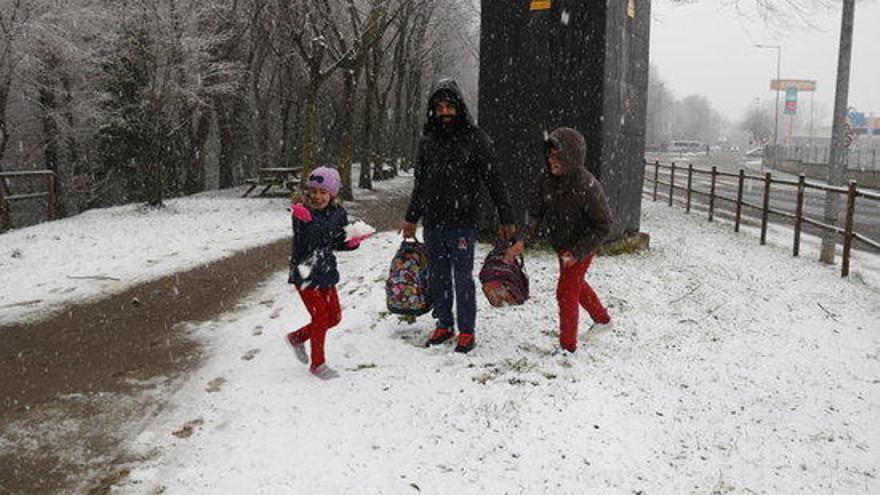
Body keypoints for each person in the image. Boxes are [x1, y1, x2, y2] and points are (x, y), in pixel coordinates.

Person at [400, 78, 516, 353]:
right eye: (439, 108)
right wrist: (410, 217)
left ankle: (467, 330)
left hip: (462, 224)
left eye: (449, 107)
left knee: (462, 278)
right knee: (439, 276)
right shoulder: (427, 141)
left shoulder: (476, 139)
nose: (444, 113)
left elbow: (494, 179)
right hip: (433, 224)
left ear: (458, 107)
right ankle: (443, 324)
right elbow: (421, 184)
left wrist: (506, 216)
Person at [506, 127, 612, 353]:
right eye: (550, 154)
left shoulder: (587, 185)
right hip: (562, 244)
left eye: (558, 155)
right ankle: (602, 320)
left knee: (566, 291)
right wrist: (522, 240)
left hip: (582, 244)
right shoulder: (545, 180)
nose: (552, 160)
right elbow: (535, 214)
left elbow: (603, 225)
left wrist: (577, 252)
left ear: (571, 156)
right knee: (575, 284)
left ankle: (568, 348)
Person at [285, 166, 369, 379]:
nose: (317, 196)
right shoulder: (301, 212)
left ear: (332, 194)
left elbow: (335, 242)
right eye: (313, 191)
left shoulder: (338, 212)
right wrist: (306, 221)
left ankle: (297, 338)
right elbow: (309, 241)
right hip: (304, 272)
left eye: (323, 192)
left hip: (325, 269)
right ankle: (318, 364)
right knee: (320, 316)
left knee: (334, 317)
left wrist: (351, 242)